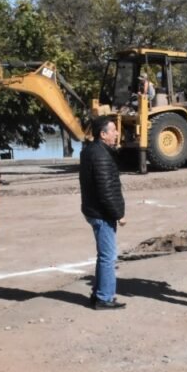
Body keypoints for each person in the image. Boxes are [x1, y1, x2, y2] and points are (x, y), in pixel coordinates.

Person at [79, 115, 127, 310]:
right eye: (113, 130)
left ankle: (99, 293)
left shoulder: (92, 151)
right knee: (108, 256)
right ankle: (104, 298)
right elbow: (106, 189)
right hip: (101, 213)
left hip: (93, 210)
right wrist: (118, 214)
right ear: (103, 134)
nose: (116, 133)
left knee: (103, 255)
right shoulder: (101, 155)